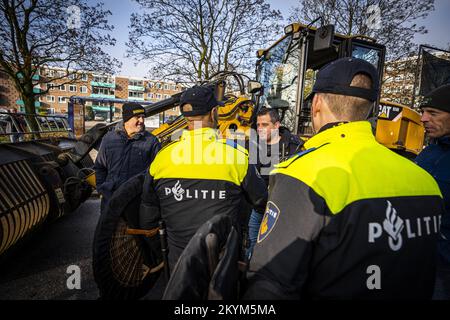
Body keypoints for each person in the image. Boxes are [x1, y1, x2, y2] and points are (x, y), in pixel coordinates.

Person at [244, 57, 444, 299]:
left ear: (316, 103)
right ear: (370, 107)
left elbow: (270, 285)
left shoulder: (301, 173)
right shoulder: (426, 181)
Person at [139, 85, 267, 271]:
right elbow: (262, 201)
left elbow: (148, 217)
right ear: (214, 112)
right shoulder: (237, 157)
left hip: (178, 267)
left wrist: (160, 252)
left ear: (185, 116)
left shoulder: (162, 158)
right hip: (222, 267)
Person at [246, 107, 304, 258]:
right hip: (258, 209)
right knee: (253, 247)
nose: (260, 129)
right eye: (258, 125)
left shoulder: (294, 147)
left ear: (277, 125)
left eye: (264, 125)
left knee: (278, 250)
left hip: (283, 210)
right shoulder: (252, 145)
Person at [415, 84, 450, 299]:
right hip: (416, 259)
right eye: (423, 112)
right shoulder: (428, 152)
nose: (423, 119)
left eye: (433, 113)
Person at [94, 102, 160, 211]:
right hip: (111, 200)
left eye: (143, 117)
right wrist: (102, 189)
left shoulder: (151, 141)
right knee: (108, 228)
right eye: (138, 117)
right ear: (126, 119)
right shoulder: (109, 139)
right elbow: (100, 167)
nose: (142, 121)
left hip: (137, 202)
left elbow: (157, 172)